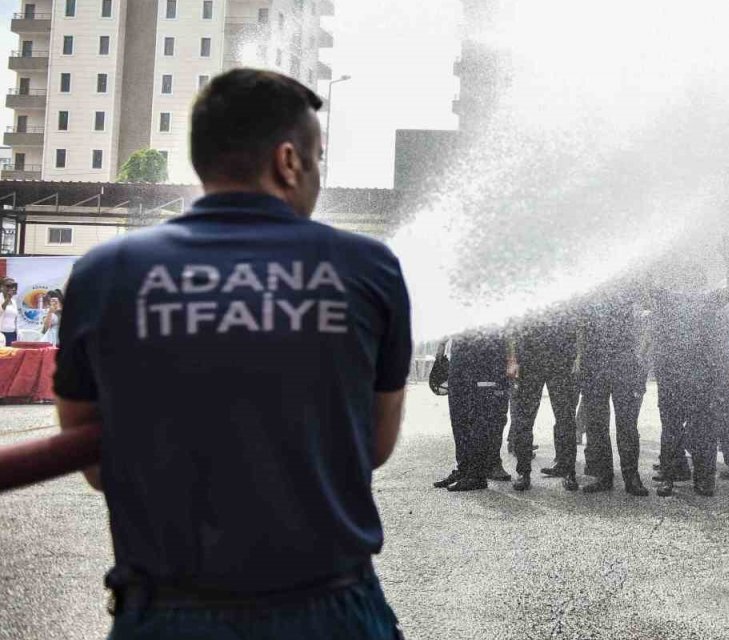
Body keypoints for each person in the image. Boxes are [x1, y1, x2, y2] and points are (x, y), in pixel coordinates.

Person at [54, 70, 410, 638]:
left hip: (167, 613)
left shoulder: (104, 274)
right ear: (289, 161)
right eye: (318, 159)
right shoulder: (367, 268)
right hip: (330, 610)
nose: (318, 175)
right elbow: (373, 444)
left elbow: (95, 460)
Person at [649, 241, 729, 497]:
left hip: (699, 375)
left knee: (692, 429)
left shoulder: (703, 298)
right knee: (681, 428)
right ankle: (679, 477)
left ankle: (695, 479)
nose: (691, 282)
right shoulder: (672, 298)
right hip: (679, 374)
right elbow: (648, 289)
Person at [578, 280, 650, 496]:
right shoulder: (589, 292)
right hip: (594, 365)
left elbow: (647, 318)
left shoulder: (631, 287)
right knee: (597, 424)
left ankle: (631, 476)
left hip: (624, 365)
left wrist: (641, 356)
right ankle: (603, 475)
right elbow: (581, 327)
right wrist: (581, 359)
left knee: (627, 424)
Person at [509, 305, 580, 491]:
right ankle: (523, 472)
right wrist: (513, 359)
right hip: (530, 358)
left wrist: (576, 356)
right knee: (524, 419)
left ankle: (568, 470)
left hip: (561, 359)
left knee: (566, 418)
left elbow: (576, 321)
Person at [435, 329, 516, 492]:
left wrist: (512, 359)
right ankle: (463, 469)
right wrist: (441, 344)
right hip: (460, 353)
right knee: (459, 416)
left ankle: (476, 475)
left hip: (487, 356)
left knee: (480, 417)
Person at [0, 277, 18, 345]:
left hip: (12, 333)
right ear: (2, 287)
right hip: (1, 333)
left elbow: (15, 318)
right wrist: (7, 299)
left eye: (13, 286)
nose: (10, 288)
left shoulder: (13, 301)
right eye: (8, 286)